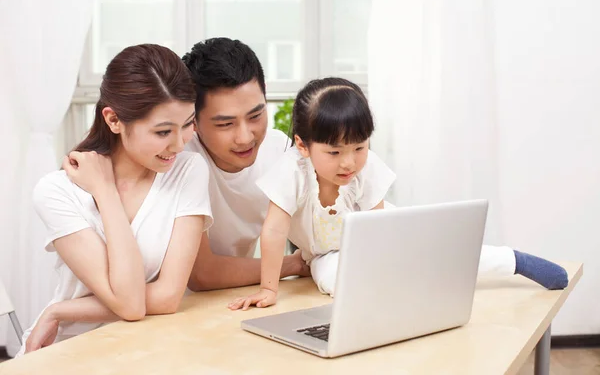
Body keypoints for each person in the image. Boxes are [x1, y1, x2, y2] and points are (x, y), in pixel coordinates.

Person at [228, 77, 569, 310]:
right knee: (334, 280)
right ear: (302, 145)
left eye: (359, 147)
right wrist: (269, 288)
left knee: (437, 247)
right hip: (325, 255)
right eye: (334, 152)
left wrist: (388, 258)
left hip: (377, 233)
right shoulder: (292, 171)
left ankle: (513, 261)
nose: (349, 162)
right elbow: (273, 230)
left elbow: (379, 224)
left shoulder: (365, 166)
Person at [19, 44, 213, 355]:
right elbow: (132, 304)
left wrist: (60, 310)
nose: (179, 144)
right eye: (163, 132)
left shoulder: (187, 171)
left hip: (148, 347)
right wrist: (106, 192)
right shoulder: (56, 192)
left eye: (188, 124)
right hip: (70, 350)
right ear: (113, 120)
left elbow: (167, 297)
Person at [182, 38, 308, 292]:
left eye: (256, 116)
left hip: (239, 297)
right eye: (225, 124)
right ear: (192, 121)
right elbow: (201, 274)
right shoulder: (181, 158)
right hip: (182, 309)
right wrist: (292, 265)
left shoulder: (276, 148)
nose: (246, 137)